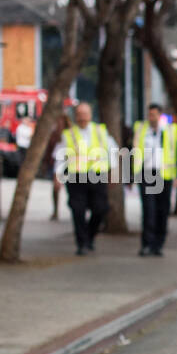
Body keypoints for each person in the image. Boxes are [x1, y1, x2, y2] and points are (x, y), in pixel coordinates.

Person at [54, 103, 114, 255]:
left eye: (85, 114)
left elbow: (112, 151)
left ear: (91, 114)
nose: (82, 117)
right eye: (79, 114)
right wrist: (57, 176)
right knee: (78, 210)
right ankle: (82, 244)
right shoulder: (68, 134)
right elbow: (60, 157)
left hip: (97, 175)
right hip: (76, 177)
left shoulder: (100, 131)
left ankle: (90, 236)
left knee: (101, 209)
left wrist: (113, 172)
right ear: (76, 116)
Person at [131, 103, 177, 256]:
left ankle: (158, 244)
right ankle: (146, 244)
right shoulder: (140, 130)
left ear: (160, 115)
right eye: (149, 114)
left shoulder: (170, 131)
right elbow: (132, 151)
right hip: (146, 174)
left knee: (163, 210)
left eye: (154, 114)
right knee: (148, 210)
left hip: (164, 175)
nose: (151, 117)